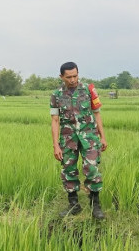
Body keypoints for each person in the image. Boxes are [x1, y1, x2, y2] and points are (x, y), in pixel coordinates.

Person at [50, 62, 108, 219]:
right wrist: (56, 146)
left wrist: (103, 137)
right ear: (61, 77)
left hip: (89, 137)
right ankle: (73, 205)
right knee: (68, 170)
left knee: (92, 169)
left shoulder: (88, 90)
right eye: (68, 77)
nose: (73, 80)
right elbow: (55, 120)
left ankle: (95, 205)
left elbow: (97, 114)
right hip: (68, 139)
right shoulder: (56, 95)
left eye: (75, 76)